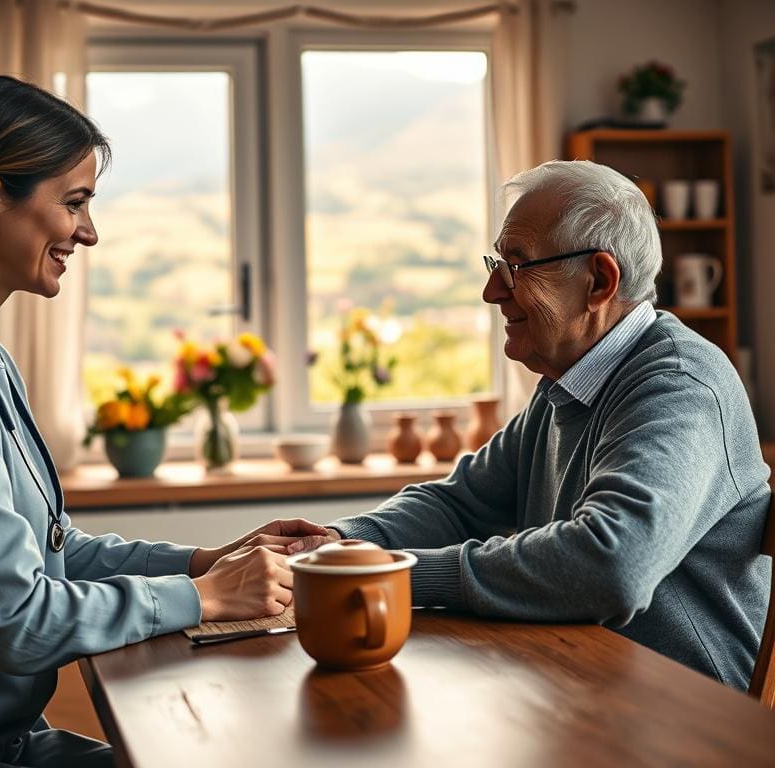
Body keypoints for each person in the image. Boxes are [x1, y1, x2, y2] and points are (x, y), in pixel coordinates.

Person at [0, 75, 326, 768]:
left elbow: (51, 552)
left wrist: (208, 563)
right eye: (74, 202)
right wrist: (200, 597)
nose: (88, 231)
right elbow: (15, 618)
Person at [290, 160, 772, 691]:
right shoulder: (569, 383)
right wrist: (337, 543)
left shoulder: (679, 386)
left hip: (689, 713)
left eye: (515, 266)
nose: (492, 291)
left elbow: (611, 564)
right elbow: (459, 504)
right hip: (584, 685)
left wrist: (389, 573)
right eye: (495, 263)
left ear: (599, 280)